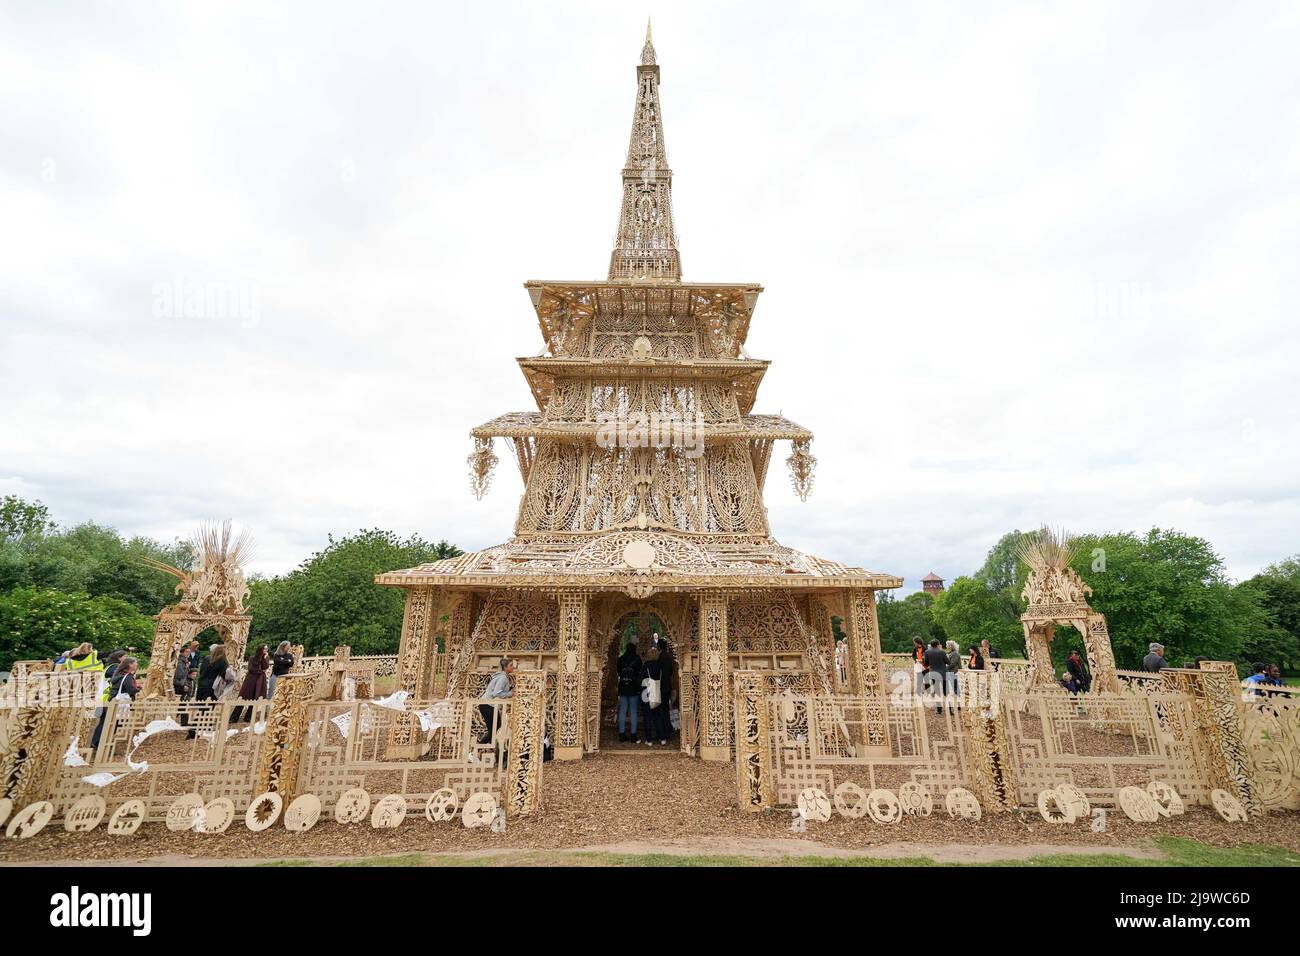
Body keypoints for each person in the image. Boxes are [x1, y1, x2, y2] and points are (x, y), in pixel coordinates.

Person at [91, 655, 140, 750]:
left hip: (109, 700)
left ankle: (96, 742)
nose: (137, 664)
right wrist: (138, 689)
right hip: (118, 703)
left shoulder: (117, 674)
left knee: (104, 722)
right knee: (116, 723)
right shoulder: (127, 676)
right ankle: (102, 744)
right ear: (130, 665)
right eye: (135, 663)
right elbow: (130, 690)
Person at [479, 657, 514, 744]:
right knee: (495, 728)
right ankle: (475, 751)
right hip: (488, 705)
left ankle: (486, 752)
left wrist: (509, 689)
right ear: (505, 667)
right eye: (511, 665)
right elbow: (496, 693)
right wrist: (511, 693)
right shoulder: (503, 678)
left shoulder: (501, 676)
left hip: (486, 704)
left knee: (494, 729)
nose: (513, 667)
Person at [232, 645, 270, 723]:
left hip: (259, 681)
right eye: (265, 648)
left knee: (255, 698)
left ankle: (248, 717)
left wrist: (265, 658)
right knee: (243, 698)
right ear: (260, 649)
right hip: (251, 680)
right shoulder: (252, 658)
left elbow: (265, 667)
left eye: (266, 648)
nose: (266, 650)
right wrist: (260, 671)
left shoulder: (264, 658)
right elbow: (251, 669)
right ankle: (234, 718)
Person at [616, 642, 643, 743]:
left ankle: (622, 734)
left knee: (622, 711)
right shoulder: (637, 659)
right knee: (633, 712)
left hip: (623, 687)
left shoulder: (621, 659)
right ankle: (633, 735)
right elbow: (640, 671)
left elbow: (619, 672)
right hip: (633, 687)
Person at [641, 647, 669, 745]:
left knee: (647, 717)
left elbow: (641, 680)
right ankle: (662, 738)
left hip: (647, 693)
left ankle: (649, 740)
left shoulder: (645, 666)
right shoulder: (660, 667)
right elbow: (665, 680)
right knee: (657, 716)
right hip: (657, 693)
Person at [922, 639, 947, 715]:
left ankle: (939, 710)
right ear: (938, 645)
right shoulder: (942, 652)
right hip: (943, 674)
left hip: (933, 673)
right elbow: (948, 662)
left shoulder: (927, 652)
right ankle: (950, 709)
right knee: (946, 691)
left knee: (937, 692)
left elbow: (926, 664)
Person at [659, 641, 676, 738]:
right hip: (667, 684)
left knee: (662, 709)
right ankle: (668, 728)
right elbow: (671, 671)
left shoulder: (660, 657)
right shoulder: (669, 657)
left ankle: (664, 730)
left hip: (661, 685)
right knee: (665, 707)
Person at [943, 640, 962, 711]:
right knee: (953, 690)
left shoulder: (955, 654)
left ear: (951, 646)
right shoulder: (950, 653)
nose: (946, 646)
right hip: (950, 672)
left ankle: (959, 705)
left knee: (956, 689)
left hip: (954, 673)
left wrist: (944, 667)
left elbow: (953, 664)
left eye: (947, 645)